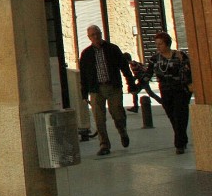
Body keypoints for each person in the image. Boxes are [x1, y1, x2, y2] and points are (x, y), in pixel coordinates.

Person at [135, 31, 193, 154]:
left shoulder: (179, 56)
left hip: (180, 90)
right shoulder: (155, 59)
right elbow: (148, 74)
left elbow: (189, 71)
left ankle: (179, 144)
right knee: (172, 117)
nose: (158, 47)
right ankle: (182, 138)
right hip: (166, 91)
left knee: (180, 116)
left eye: (160, 44)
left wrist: (190, 86)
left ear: (167, 44)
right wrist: (138, 86)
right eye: (156, 44)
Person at [79, 25, 132, 156]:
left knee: (117, 113)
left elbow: (124, 67)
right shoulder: (86, 54)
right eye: (92, 35)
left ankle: (122, 131)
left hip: (113, 86)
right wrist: (84, 93)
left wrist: (130, 83)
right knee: (99, 118)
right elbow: (83, 75)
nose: (96, 36)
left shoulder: (112, 49)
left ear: (101, 33)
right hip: (96, 89)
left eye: (97, 33)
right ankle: (104, 144)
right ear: (89, 37)